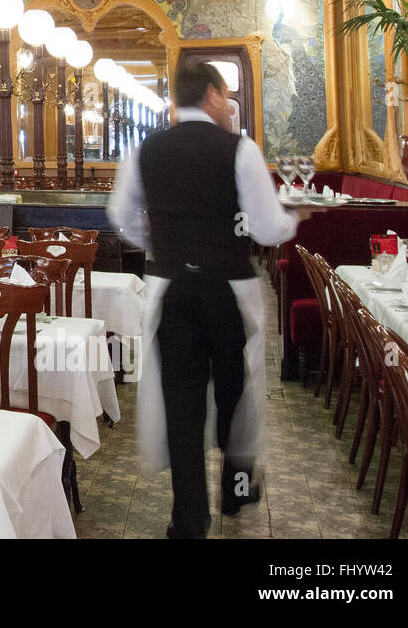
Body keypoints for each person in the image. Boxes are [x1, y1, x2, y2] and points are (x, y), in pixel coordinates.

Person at [108, 62, 311, 538]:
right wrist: (295, 217)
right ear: (214, 95)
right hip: (228, 289)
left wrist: (166, 244)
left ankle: (189, 520)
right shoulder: (240, 150)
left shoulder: (144, 150)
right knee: (236, 393)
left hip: (172, 289)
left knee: (181, 404)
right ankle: (237, 489)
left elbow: (123, 216)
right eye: (225, 95)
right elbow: (265, 227)